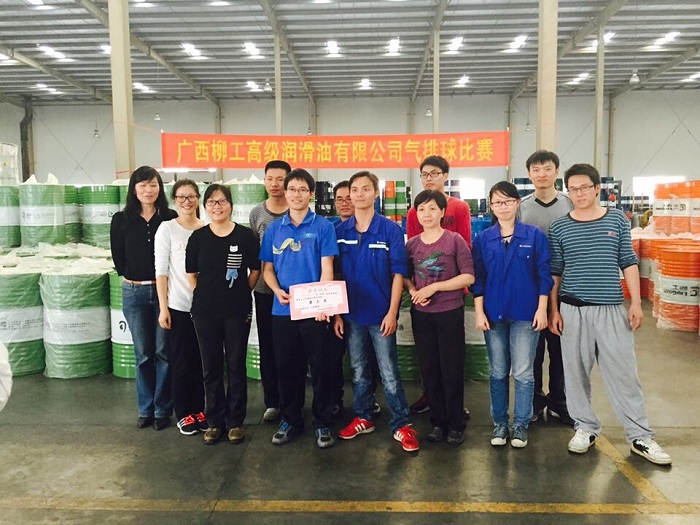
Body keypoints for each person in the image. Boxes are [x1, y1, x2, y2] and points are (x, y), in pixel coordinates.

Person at [548, 164, 672, 465]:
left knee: (624, 374)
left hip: (611, 309)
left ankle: (640, 436)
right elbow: (555, 273)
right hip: (572, 310)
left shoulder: (616, 219)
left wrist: (635, 303)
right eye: (573, 189)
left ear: (597, 189)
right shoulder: (559, 227)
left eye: (584, 187)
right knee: (575, 374)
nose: (579, 193)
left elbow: (628, 261)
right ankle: (585, 427)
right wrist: (554, 310)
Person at [335, 171, 419, 453]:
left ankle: (401, 424)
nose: (359, 194)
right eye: (354, 190)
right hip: (352, 314)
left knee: (388, 371)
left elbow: (398, 275)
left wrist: (392, 312)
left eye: (365, 189)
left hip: (381, 314)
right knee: (359, 370)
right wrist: (337, 313)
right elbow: (334, 275)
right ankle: (364, 416)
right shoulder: (340, 232)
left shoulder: (390, 230)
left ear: (375, 193)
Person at [260, 169, 338, 449]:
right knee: (287, 368)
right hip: (283, 311)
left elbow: (327, 267)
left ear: (311, 194)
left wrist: (323, 303)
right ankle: (290, 419)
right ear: (285, 192)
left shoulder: (323, 227)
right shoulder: (274, 229)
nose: (296, 194)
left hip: (314, 310)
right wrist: (276, 289)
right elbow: (267, 269)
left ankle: (323, 422)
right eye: (292, 189)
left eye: (303, 189)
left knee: (321, 368)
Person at [472, 181, 552, 448]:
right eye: (497, 202)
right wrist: (479, 312)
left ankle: (520, 424)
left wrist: (542, 309)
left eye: (507, 201)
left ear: (517, 203)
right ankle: (500, 423)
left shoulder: (534, 236)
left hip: (525, 314)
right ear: (491, 207)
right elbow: (479, 279)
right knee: (497, 372)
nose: (503, 206)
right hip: (493, 314)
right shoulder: (483, 239)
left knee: (523, 372)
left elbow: (543, 276)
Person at [186, 184, 260, 445]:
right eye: (212, 202)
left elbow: (255, 270)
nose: (217, 206)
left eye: (222, 201)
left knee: (236, 365)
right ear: (205, 206)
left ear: (230, 205)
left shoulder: (245, 236)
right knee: (211, 367)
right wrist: (208, 295)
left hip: (237, 311)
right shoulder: (198, 238)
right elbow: (191, 274)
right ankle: (214, 421)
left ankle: (235, 422)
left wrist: (239, 293)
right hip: (205, 312)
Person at [404, 190, 475, 445]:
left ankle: (455, 424)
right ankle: (437, 422)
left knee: (451, 369)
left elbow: (468, 276)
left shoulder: (455, 240)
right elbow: (406, 277)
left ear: (442, 212)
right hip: (422, 315)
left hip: (449, 313)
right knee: (430, 369)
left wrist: (435, 287)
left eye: (432, 208)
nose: (427, 214)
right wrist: (414, 291)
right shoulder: (412, 245)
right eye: (421, 209)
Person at [110, 166, 177, 431]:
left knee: (163, 352)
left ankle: (162, 409)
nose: (148, 190)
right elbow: (118, 257)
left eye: (153, 184)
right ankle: (145, 408)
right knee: (143, 354)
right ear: (134, 189)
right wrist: (132, 275)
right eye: (143, 185)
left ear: (160, 188)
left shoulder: (169, 217)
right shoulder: (121, 219)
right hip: (134, 292)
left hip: (165, 293)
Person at [517, 150, 574, 426]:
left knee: (562, 350)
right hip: (531, 290)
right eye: (536, 169)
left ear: (557, 171)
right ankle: (535, 402)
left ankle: (560, 403)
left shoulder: (569, 203)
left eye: (547, 168)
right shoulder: (521, 207)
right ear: (529, 174)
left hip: (566, 288)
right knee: (534, 351)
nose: (542, 174)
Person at [154, 179, 206, 436]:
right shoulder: (167, 229)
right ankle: (184, 412)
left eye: (191, 196)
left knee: (202, 361)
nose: (187, 201)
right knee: (181, 361)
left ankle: (200, 410)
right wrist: (164, 308)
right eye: (181, 197)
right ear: (174, 200)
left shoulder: (207, 228)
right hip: (178, 305)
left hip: (204, 309)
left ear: (198, 199)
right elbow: (161, 271)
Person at [329, 181, 381, 417]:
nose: (344, 203)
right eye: (339, 199)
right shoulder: (331, 230)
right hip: (336, 305)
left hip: (366, 306)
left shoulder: (375, 228)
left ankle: (369, 401)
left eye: (347, 198)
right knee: (336, 356)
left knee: (368, 358)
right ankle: (335, 400)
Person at [249, 160, 291, 423]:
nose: (275, 184)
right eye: (270, 178)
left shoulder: (297, 210)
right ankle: (272, 402)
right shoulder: (257, 213)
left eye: (280, 179)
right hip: (266, 292)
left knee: (293, 348)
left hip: (297, 294)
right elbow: (256, 255)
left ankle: (291, 400)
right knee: (268, 346)